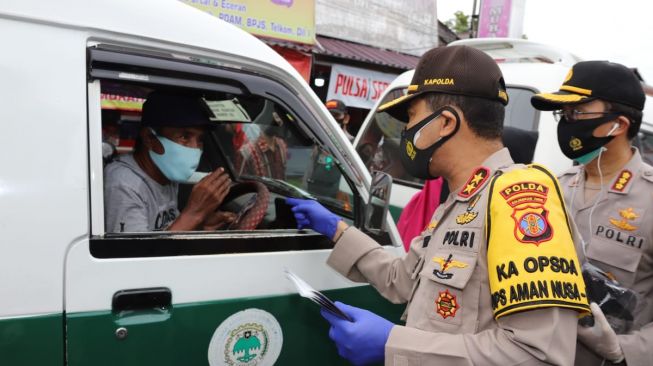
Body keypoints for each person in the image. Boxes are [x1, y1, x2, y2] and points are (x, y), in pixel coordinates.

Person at [286, 45, 589, 365]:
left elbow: (538, 355)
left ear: (446, 122)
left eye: (412, 117)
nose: (405, 132)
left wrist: (394, 344)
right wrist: (338, 230)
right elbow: (401, 279)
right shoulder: (459, 201)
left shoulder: (520, 198)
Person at [531, 60, 651, 366]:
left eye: (577, 112)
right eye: (564, 113)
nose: (567, 122)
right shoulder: (554, 189)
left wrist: (624, 350)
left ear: (619, 125)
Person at [104, 90, 234, 232]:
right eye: (184, 137)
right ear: (149, 138)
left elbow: (167, 231)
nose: (195, 148)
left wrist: (201, 225)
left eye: (199, 140)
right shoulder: (124, 183)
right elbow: (137, 252)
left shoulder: (166, 175)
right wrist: (194, 214)